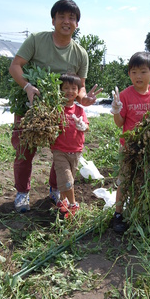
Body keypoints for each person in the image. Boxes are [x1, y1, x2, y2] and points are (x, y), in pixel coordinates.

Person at [9, 0, 102, 213]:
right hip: (31, 108)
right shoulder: (36, 40)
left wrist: (83, 98)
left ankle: (55, 188)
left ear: (77, 24)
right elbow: (15, 66)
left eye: (71, 18)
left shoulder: (80, 54)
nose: (66, 21)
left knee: (61, 151)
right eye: (61, 16)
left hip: (60, 112)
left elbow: (80, 88)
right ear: (53, 20)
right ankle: (22, 192)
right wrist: (27, 87)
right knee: (24, 151)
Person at [110, 51, 150, 233]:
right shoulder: (124, 95)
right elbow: (120, 124)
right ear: (129, 74)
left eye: (142, 71)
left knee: (145, 180)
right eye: (133, 72)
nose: (138, 76)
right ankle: (118, 214)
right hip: (129, 147)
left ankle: (140, 213)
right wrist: (117, 110)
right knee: (124, 180)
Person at [51, 73, 88, 218]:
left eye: (73, 88)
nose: (70, 91)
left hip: (76, 151)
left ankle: (62, 201)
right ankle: (73, 204)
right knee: (66, 179)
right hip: (60, 150)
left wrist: (83, 125)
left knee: (69, 178)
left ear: (78, 91)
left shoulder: (79, 110)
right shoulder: (56, 110)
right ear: (59, 90)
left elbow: (87, 127)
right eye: (65, 88)